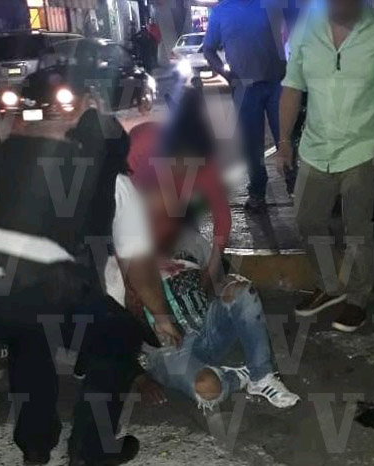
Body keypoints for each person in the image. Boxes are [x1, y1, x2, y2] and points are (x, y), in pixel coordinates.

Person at [0, 110, 182, 466]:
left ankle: (35, 448)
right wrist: (163, 317)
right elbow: (139, 269)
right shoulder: (116, 184)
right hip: (49, 289)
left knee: (29, 337)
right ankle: (91, 451)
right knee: (120, 335)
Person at [277, 0, 374, 332]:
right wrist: (283, 141)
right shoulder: (307, 26)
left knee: (357, 230)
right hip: (315, 147)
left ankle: (358, 297)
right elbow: (292, 85)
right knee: (307, 221)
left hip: (363, 149)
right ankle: (329, 286)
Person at [108, 227, 301, 410]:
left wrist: (226, 288)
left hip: (206, 329)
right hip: (168, 351)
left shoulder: (189, 239)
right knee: (208, 387)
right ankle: (236, 377)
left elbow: (218, 281)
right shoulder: (119, 266)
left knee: (243, 291)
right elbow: (112, 334)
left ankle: (261, 376)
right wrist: (140, 378)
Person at [128, 84, 232, 291]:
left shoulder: (207, 165)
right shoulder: (141, 142)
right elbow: (116, 207)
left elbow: (223, 221)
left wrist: (209, 275)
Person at [202, 0, 288, 212]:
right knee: (252, 146)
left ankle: (297, 186)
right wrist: (227, 75)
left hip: (278, 84)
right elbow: (208, 50)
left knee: (286, 138)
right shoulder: (220, 13)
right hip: (245, 90)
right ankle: (257, 192)